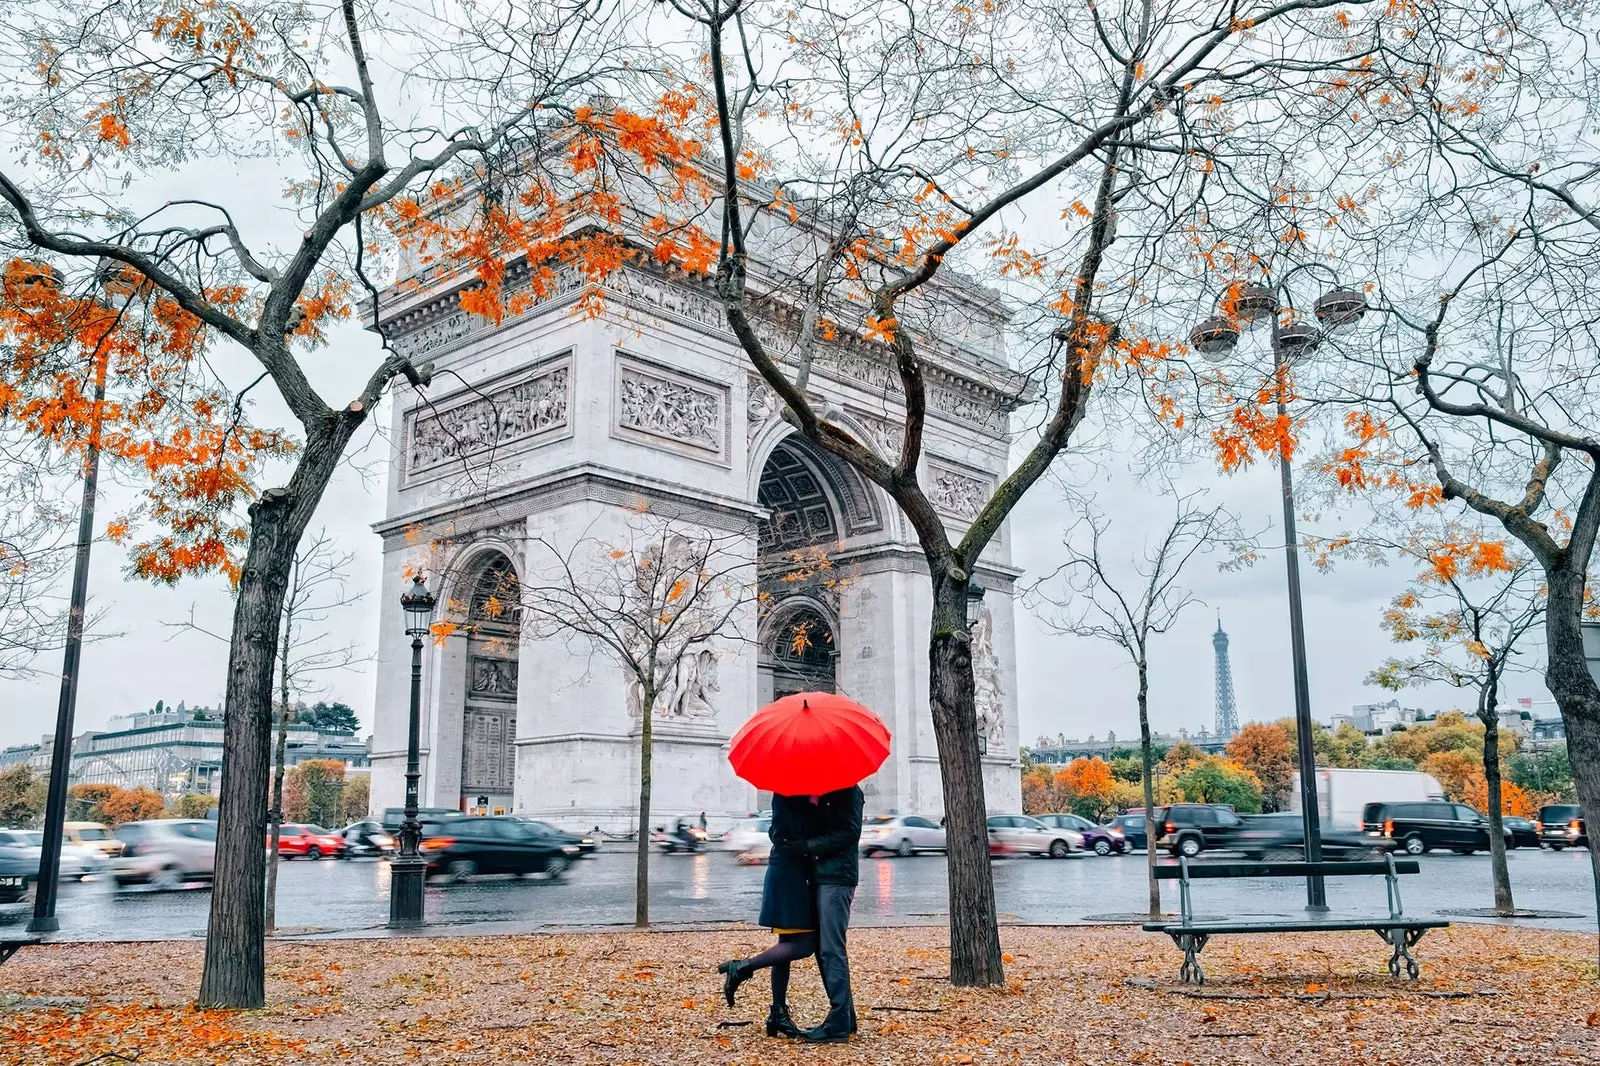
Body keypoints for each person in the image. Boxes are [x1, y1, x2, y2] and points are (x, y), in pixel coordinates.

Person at [716, 793, 816, 1038]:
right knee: (804, 945)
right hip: (791, 875)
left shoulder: (786, 792)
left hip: (786, 871)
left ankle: (777, 1014)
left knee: (786, 945)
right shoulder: (795, 795)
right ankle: (741, 967)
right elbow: (794, 835)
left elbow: (777, 832)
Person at [777, 785, 864, 1043]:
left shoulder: (848, 791)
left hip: (837, 877)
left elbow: (850, 832)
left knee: (831, 950)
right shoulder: (826, 792)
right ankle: (846, 1018)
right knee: (823, 948)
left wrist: (807, 845)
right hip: (823, 875)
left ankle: (839, 1022)